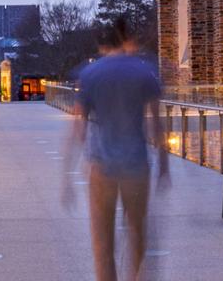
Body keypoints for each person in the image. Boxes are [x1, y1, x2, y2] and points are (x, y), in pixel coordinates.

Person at [67, 24, 168, 281]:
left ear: (101, 46)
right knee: (136, 231)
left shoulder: (90, 74)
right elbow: (156, 122)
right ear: (123, 41)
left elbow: (78, 126)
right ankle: (136, 276)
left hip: (102, 165)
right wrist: (164, 164)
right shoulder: (144, 71)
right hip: (136, 163)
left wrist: (68, 174)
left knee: (103, 241)